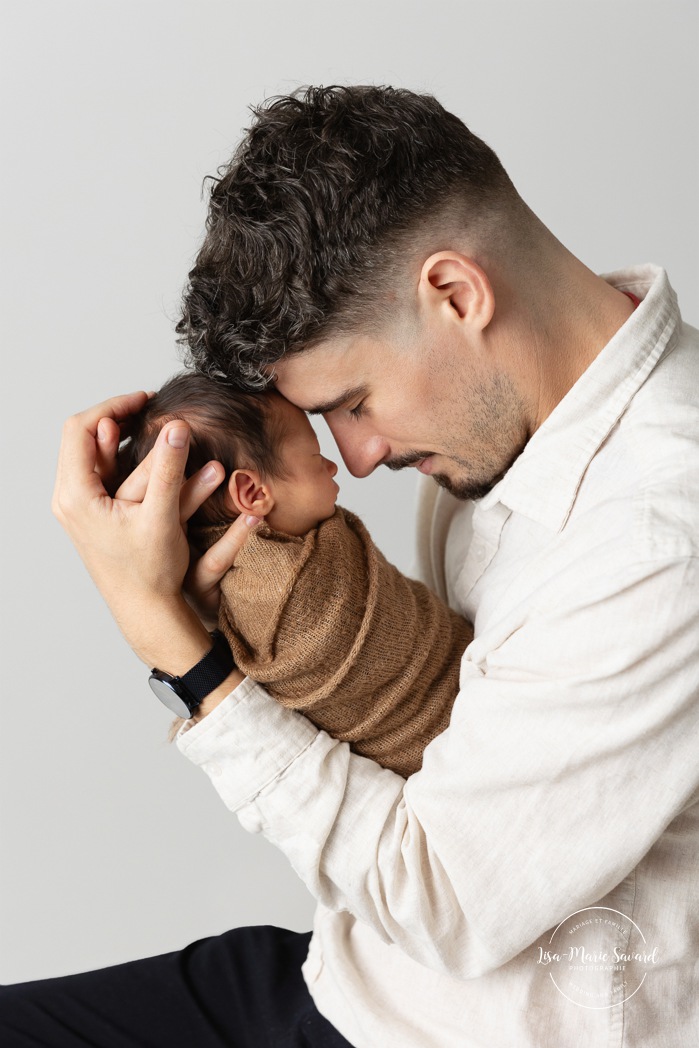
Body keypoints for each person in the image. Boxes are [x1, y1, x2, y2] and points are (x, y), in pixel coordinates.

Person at [7, 86, 697, 1046]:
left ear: (456, 295)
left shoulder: (662, 534)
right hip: (342, 975)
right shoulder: (519, 428)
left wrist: (188, 663)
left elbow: (448, 904)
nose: (358, 456)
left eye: (356, 399)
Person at [122, 371, 472, 775]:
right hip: (440, 740)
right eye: (313, 456)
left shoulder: (233, 597)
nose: (333, 466)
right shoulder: (284, 594)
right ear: (253, 493)